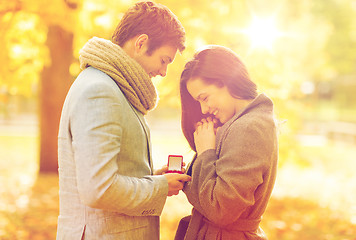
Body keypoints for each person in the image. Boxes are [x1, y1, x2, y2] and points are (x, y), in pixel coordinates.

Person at [56, 1, 191, 240]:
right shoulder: (100, 90)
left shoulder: (115, 87)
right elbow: (99, 188)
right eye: (163, 60)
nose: (163, 72)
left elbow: (112, 170)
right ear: (141, 43)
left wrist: (153, 178)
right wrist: (159, 187)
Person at [176, 45, 278, 240]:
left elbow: (220, 210)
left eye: (204, 98)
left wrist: (206, 152)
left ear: (226, 81)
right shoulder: (239, 123)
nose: (203, 109)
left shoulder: (249, 128)